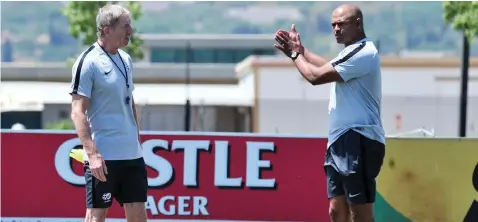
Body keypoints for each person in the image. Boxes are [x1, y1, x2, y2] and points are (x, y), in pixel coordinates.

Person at [274, 4, 385, 222]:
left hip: (359, 138)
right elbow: (326, 67)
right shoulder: (351, 53)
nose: (335, 29)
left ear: (358, 24)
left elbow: (315, 77)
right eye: (333, 24)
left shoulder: (363, 51)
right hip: (340, 139)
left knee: (359, 213)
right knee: (336, 211)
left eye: (341, 24)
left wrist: (295, 55)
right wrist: (302, 50)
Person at [69, 4, 147, 222]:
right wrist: (92, 154)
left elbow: (130, 101)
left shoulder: (126, 59)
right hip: (104, 157)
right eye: (125, 26)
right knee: (97, 216)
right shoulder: (88, 62)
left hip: (132, 155)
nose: (130, 31)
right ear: (107, 29)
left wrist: (136, 139)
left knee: (139, 215)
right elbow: (77, 112)